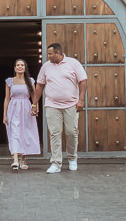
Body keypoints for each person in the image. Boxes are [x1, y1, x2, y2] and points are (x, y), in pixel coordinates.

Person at [31, 42, 87, 173]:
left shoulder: (73, 63)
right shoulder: (46, 66)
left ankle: (72, 158)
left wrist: (81, 100)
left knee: (71, 132)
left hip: (71, 104)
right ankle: (56, 163)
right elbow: (39, 86)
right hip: (52, 105)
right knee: (55, 133)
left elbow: (83, 81)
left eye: (50, 53)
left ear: (58, 53)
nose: (48, 56)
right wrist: (34, 103)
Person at [2, 58, 40, 170]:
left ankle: (23, 160)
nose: (20, 67)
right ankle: (15, 160)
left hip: (26, 108)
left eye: (22, 65)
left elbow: (34, 96)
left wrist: (35, 108)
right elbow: (7, 98)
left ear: (25, 68)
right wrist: (4, 114)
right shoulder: (9, 81)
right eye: (18, 65)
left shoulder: (30, 81)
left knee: (25, 133)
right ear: (14, 68)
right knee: (15, 132)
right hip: (13, 109)